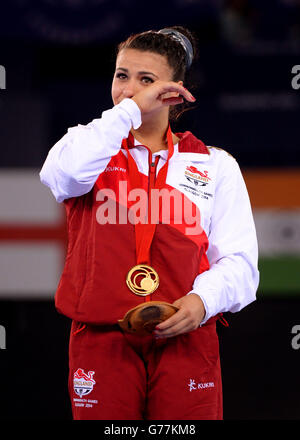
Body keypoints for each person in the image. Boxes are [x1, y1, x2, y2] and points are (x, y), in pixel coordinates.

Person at [39, 26, 259, 420]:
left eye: (146, 80)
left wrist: (202, 301)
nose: (130, 90)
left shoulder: (214, 164)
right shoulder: (85, 146)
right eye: (122, 76)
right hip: (102, 341)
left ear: (174, 91)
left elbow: (241, 264)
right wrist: (128, 111)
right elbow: (66, 177)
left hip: (186, 337)